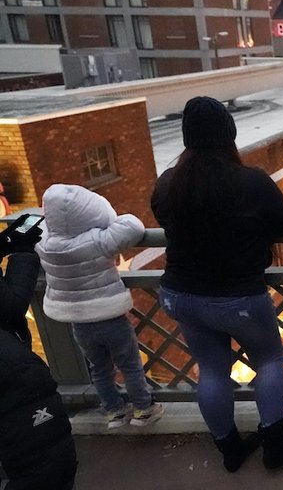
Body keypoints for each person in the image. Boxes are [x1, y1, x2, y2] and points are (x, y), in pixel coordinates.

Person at [151, 96, 283, 473]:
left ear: (187, 139)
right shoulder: (251, 181)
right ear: (229, 135)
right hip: (239, 298)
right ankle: (275, 447)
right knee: (269, 361)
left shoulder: (169, 184)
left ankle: (230, 448)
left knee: (211, 369)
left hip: (182, 295)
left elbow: (161, 215)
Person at [37, 184, 164, 429]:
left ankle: (113, 411)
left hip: (79, 323)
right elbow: (132, 226)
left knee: (99, 369)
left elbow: (40, 228)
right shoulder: (97, 240)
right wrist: (105, 218)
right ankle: (143, 408)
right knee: (129, 364)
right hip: (110, 317)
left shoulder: (45, 244)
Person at [0, 214, 78, 489]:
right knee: (45, 467)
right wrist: (22, 254)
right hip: (12, 376)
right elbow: (8, 308)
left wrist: (6, 243)